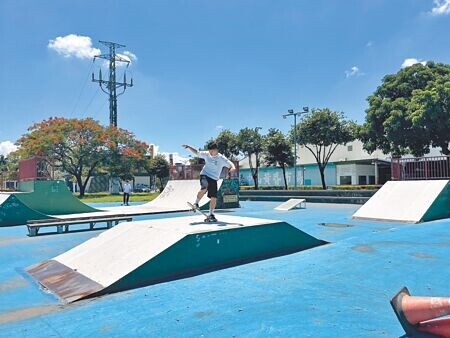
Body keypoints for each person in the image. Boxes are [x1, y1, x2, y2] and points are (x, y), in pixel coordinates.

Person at [182, 143, 236, 221]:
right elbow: (197, 152)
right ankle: (196, 203)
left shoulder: (221, 158)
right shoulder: (206, 154)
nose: (210, 153)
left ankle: (211, 214)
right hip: (205, 174)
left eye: (212, 151)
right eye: (209, 151)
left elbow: (231, 164)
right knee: (205, 187)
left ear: (216, 150)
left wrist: (233, 168)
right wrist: (189, 147)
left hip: (214, 179)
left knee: (214, 197)